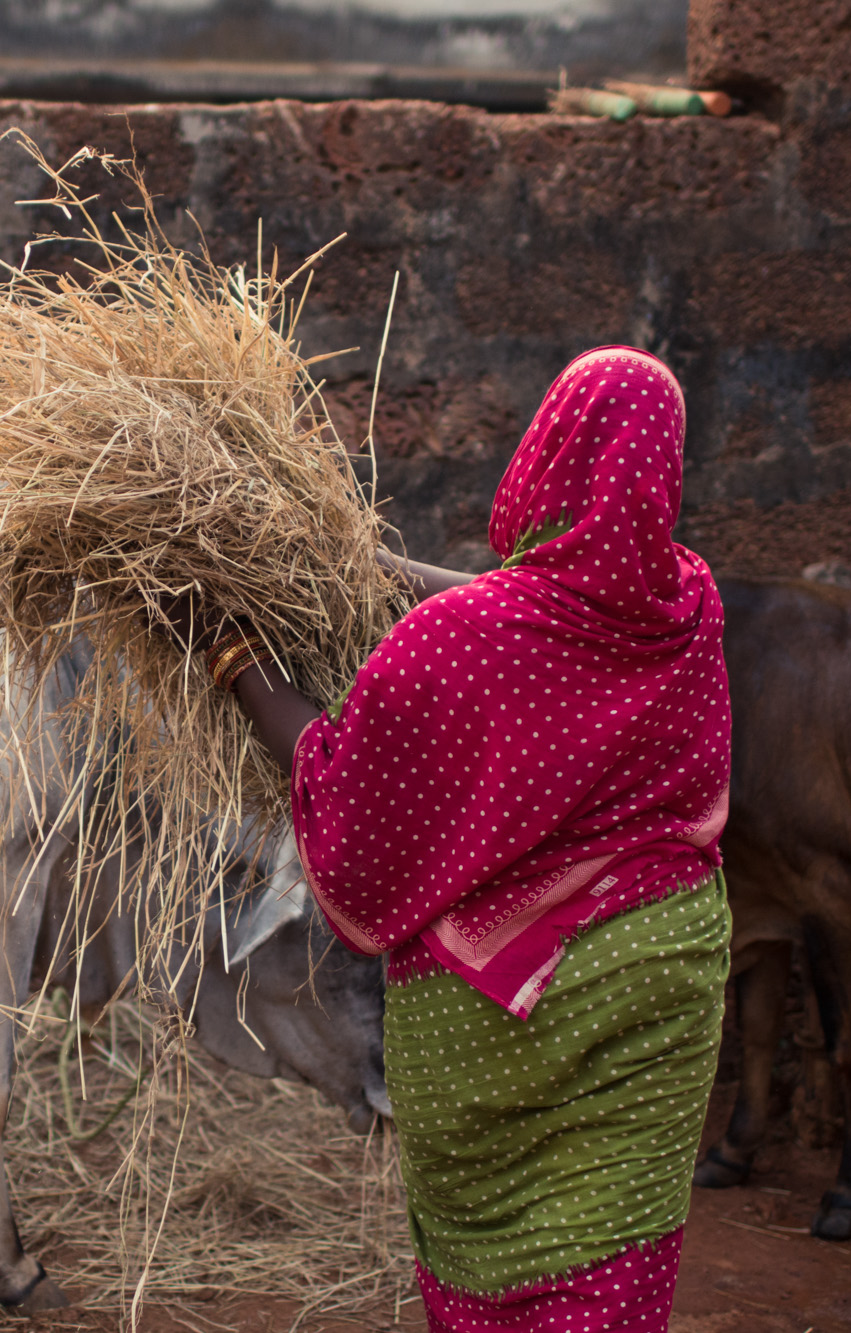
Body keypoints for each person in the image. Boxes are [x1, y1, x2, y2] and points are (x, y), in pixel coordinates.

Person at [197, 345, 731, 1331]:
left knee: (497, 1261)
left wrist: (232, 657)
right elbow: (553, 593)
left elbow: (335, 790)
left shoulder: (453, 644)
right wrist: (366, 568)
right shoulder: (686, 605)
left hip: (491, 1018)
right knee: (615, 1244)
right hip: (661, 978)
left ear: (543, 452)